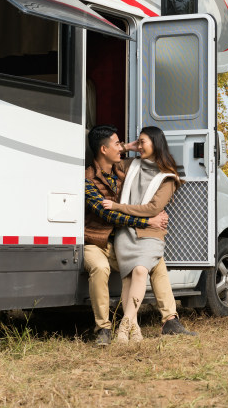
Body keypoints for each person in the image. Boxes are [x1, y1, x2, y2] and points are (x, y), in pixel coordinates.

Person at [83, 124, 194, 346]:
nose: (127, 148)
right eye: (118, 145)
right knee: (114, 268)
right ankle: (106, 328)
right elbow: (113, 214)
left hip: (124, 236)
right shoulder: (91, 177)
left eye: (142, 142)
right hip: (99, 237)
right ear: (104, 150)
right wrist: (147, 220)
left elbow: (150, 204)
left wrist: (125, 147)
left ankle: (161, 320)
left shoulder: (123, 171)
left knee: (152, 263)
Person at [105, 126, 184, 343]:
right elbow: (111, 158)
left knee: (140, 270)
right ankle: (135, 330)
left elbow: (152, 209)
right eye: (137, 142)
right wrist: (128, 146)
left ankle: (124, 326)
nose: (139, 146)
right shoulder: (132, 165)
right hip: (126, 232)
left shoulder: (168, 177)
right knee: (128, 277)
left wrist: (118, 207)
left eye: (143, 142)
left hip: (151, 232)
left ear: (156, 144)